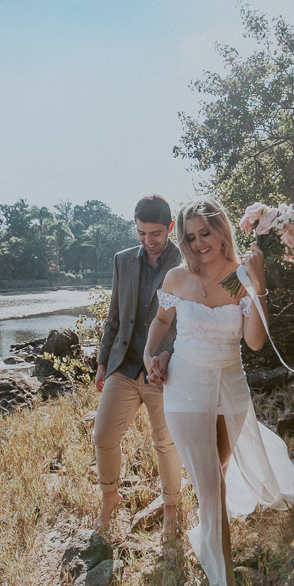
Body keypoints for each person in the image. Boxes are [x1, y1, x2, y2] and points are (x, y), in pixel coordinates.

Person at [143, 196, 294, 586]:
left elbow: (255, 342)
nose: (199, 243)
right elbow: (162, 322)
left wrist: (258, 287)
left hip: (231, 388)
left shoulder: (239, 279)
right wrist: (151, 355)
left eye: (206, 233)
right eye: (190, 235)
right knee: (211, 485)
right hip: (184, 387)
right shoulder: (178, 277)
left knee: (214, 474)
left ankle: (208, 540)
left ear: (222, 231)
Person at [92, 194, 184, 543]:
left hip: (166, 371)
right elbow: (114, 316)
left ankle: (171, 509)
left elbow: (190, 323)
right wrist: (103, 362)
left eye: (156, 233)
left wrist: (169, 355)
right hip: (124, 366)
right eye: (142, 233)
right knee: (103, 436)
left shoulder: (186, 262)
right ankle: (110, 497)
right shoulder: (122, 261)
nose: (148, 240)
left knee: (165, 444)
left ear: (170, 227)